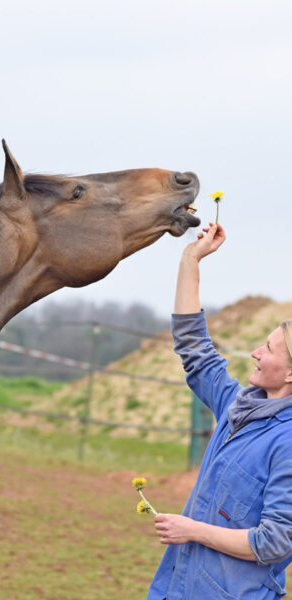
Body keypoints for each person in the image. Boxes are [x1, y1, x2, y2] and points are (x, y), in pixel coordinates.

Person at [147, 223, 292, 600]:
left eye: (269, 350)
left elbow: (275, 542)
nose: (256, 353)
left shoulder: (288, 443)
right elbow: (195, 349)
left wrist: (192, 530)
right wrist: (191, 259)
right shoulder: (237, 406)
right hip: (175, 589)